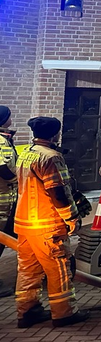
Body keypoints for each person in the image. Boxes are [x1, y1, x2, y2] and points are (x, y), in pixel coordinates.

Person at [15, 117, 89, 328]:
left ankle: (27, 311)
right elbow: (58, 192)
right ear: (55, 134)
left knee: (28, 270)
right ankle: (64, 312)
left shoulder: (25, 154)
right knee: (58, 269)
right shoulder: (52, 158)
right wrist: (72, 218)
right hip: (47, 225)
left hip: (25, 224)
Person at [0, 105, 18, 298]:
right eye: (9, 116)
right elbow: (3, 169)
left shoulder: (5, 138)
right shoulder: (0, 142)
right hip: (1, 202)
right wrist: (22, 182)